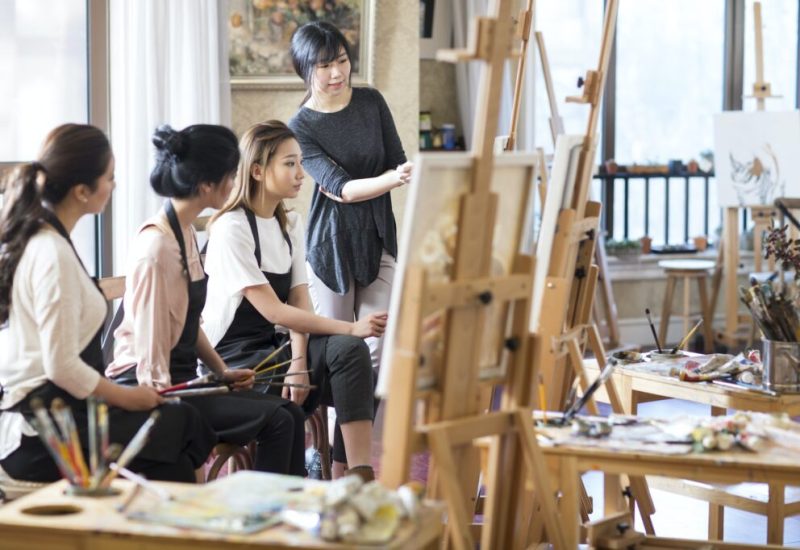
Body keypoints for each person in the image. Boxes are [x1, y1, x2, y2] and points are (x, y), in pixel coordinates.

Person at [0, 124, 216, 483]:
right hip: (41, 431)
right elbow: (62, 366)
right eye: (110, 177)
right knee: (184, 422)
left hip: (62, 411)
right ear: (83, 191)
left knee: (177, 450)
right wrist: (127, 398)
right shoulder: (51, 253)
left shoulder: (48, 239)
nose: (114, 186)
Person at [106, 124, 306, 475]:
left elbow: (187, 323)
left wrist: (221, 372)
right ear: (206, 185)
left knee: (288, 412)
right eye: (230, 175)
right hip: (152, 390)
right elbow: (152, 361)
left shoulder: (185, 232)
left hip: (184, 381)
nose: (235, 183)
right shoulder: (157, 249)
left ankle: (282, 516)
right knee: (279, 419)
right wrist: (169, 410)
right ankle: (260, 519)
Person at [203, 120, 386, 482]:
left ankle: (353, 477)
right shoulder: (231, 229)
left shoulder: (289, 224)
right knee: (350, 340)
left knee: (353, 354)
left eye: (300, 162)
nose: (301, 173)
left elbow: (299, 300)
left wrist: (299, 361)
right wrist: (350, 325)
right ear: (257, 170)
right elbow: (273, 310)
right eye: (290, 163)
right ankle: (288, 492)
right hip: (235, 360)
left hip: (279, 348)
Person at [288, 21, 412, 377]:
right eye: (324, 66)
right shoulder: (300, 126)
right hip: (332, 245)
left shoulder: (371, 101)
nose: (337, 72)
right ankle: (334, 431)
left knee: (378, 350)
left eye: (341, 60)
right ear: (305, 70)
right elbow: (342, 190)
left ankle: (358, 432)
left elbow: (396, 160)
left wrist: (400, 173)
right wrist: (394, 178)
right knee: (339, 352)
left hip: (378, 236)